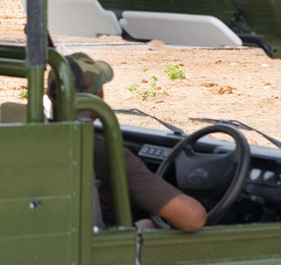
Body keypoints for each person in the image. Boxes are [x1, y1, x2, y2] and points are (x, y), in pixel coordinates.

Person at [48, 53, 207, 232]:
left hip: (53, 237)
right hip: (96, 249)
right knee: (151, 224)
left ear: (50, 95)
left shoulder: (35, 140)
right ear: (99, 96)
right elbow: (192, 218)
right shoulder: (102, 152)